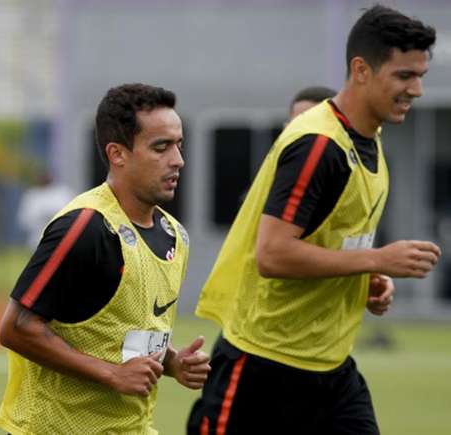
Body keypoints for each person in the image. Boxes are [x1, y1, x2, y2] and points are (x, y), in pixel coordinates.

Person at [188, 6, 440, 435]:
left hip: (331, 369)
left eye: (420, 75)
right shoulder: (319, 144)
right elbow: (272, 254)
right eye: (403, 76)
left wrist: (364, 283)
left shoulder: (369, 139)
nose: (416, 89)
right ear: (361, 69)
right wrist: (377, 260)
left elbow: (329, 241)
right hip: (265, 366)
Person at [0, 83, 211, 435]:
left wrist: (173, 362)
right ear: (117, 154)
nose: (178, 160)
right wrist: (113, 375)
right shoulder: (85, 228)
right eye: (161, 147)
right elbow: (16, 328)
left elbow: (122, 331)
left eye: (179, 145)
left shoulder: (175, 234)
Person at [16, 169, 74, 249]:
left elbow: (73, 214)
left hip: (62, 237)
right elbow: (24, 220)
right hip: (37, 240)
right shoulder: (31, 195)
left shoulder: (63, 192)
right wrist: (43, 217)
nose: (44, 178)